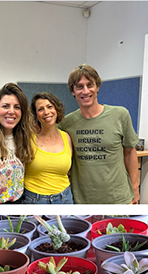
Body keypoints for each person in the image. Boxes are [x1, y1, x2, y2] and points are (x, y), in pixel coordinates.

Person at [59, 64, 140, 204]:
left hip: (119, 199)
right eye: (79, 87)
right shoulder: (66, 123)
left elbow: (130, 153)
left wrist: (135, 189)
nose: (85, 91)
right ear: (73, 91)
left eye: (90, 85)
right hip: (82, 201)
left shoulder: (120, 115)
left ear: (98, 87)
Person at [23, 92, 73, 204]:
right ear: (36, 115)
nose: (46, 112)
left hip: (64, 199)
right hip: (34, 200)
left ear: (57, 109)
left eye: (50, 107)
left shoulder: (67, 137)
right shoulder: (28, 139)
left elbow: (69, 172)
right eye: (40, 109)